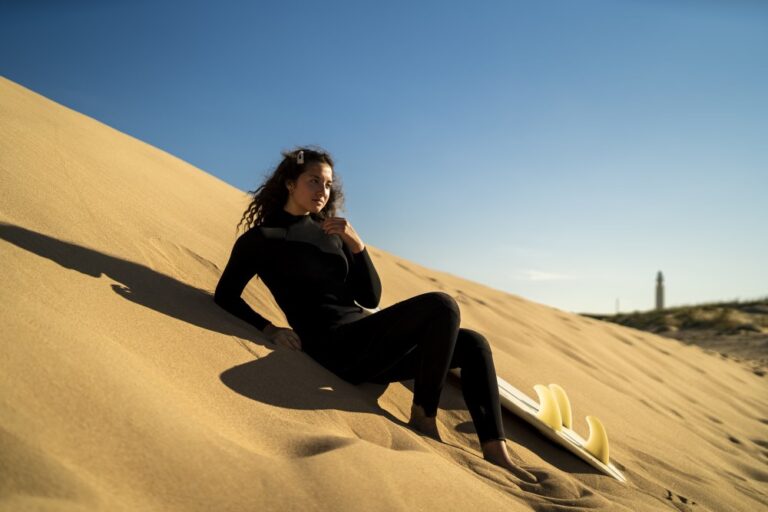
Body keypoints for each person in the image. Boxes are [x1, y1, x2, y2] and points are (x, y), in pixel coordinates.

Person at [214, 146, 530, 477]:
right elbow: (226, 295)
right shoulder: (263, 238)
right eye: (314, 181)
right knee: (442, 305)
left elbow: (369, 296)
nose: (322, 191)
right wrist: (269, 328)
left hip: (369, 345)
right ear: (290, 183)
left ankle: (496, 449)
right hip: (333, 349)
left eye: (327, 184)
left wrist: (357, 245)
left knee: (473, 343)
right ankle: (424, 416)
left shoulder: (330, 233)